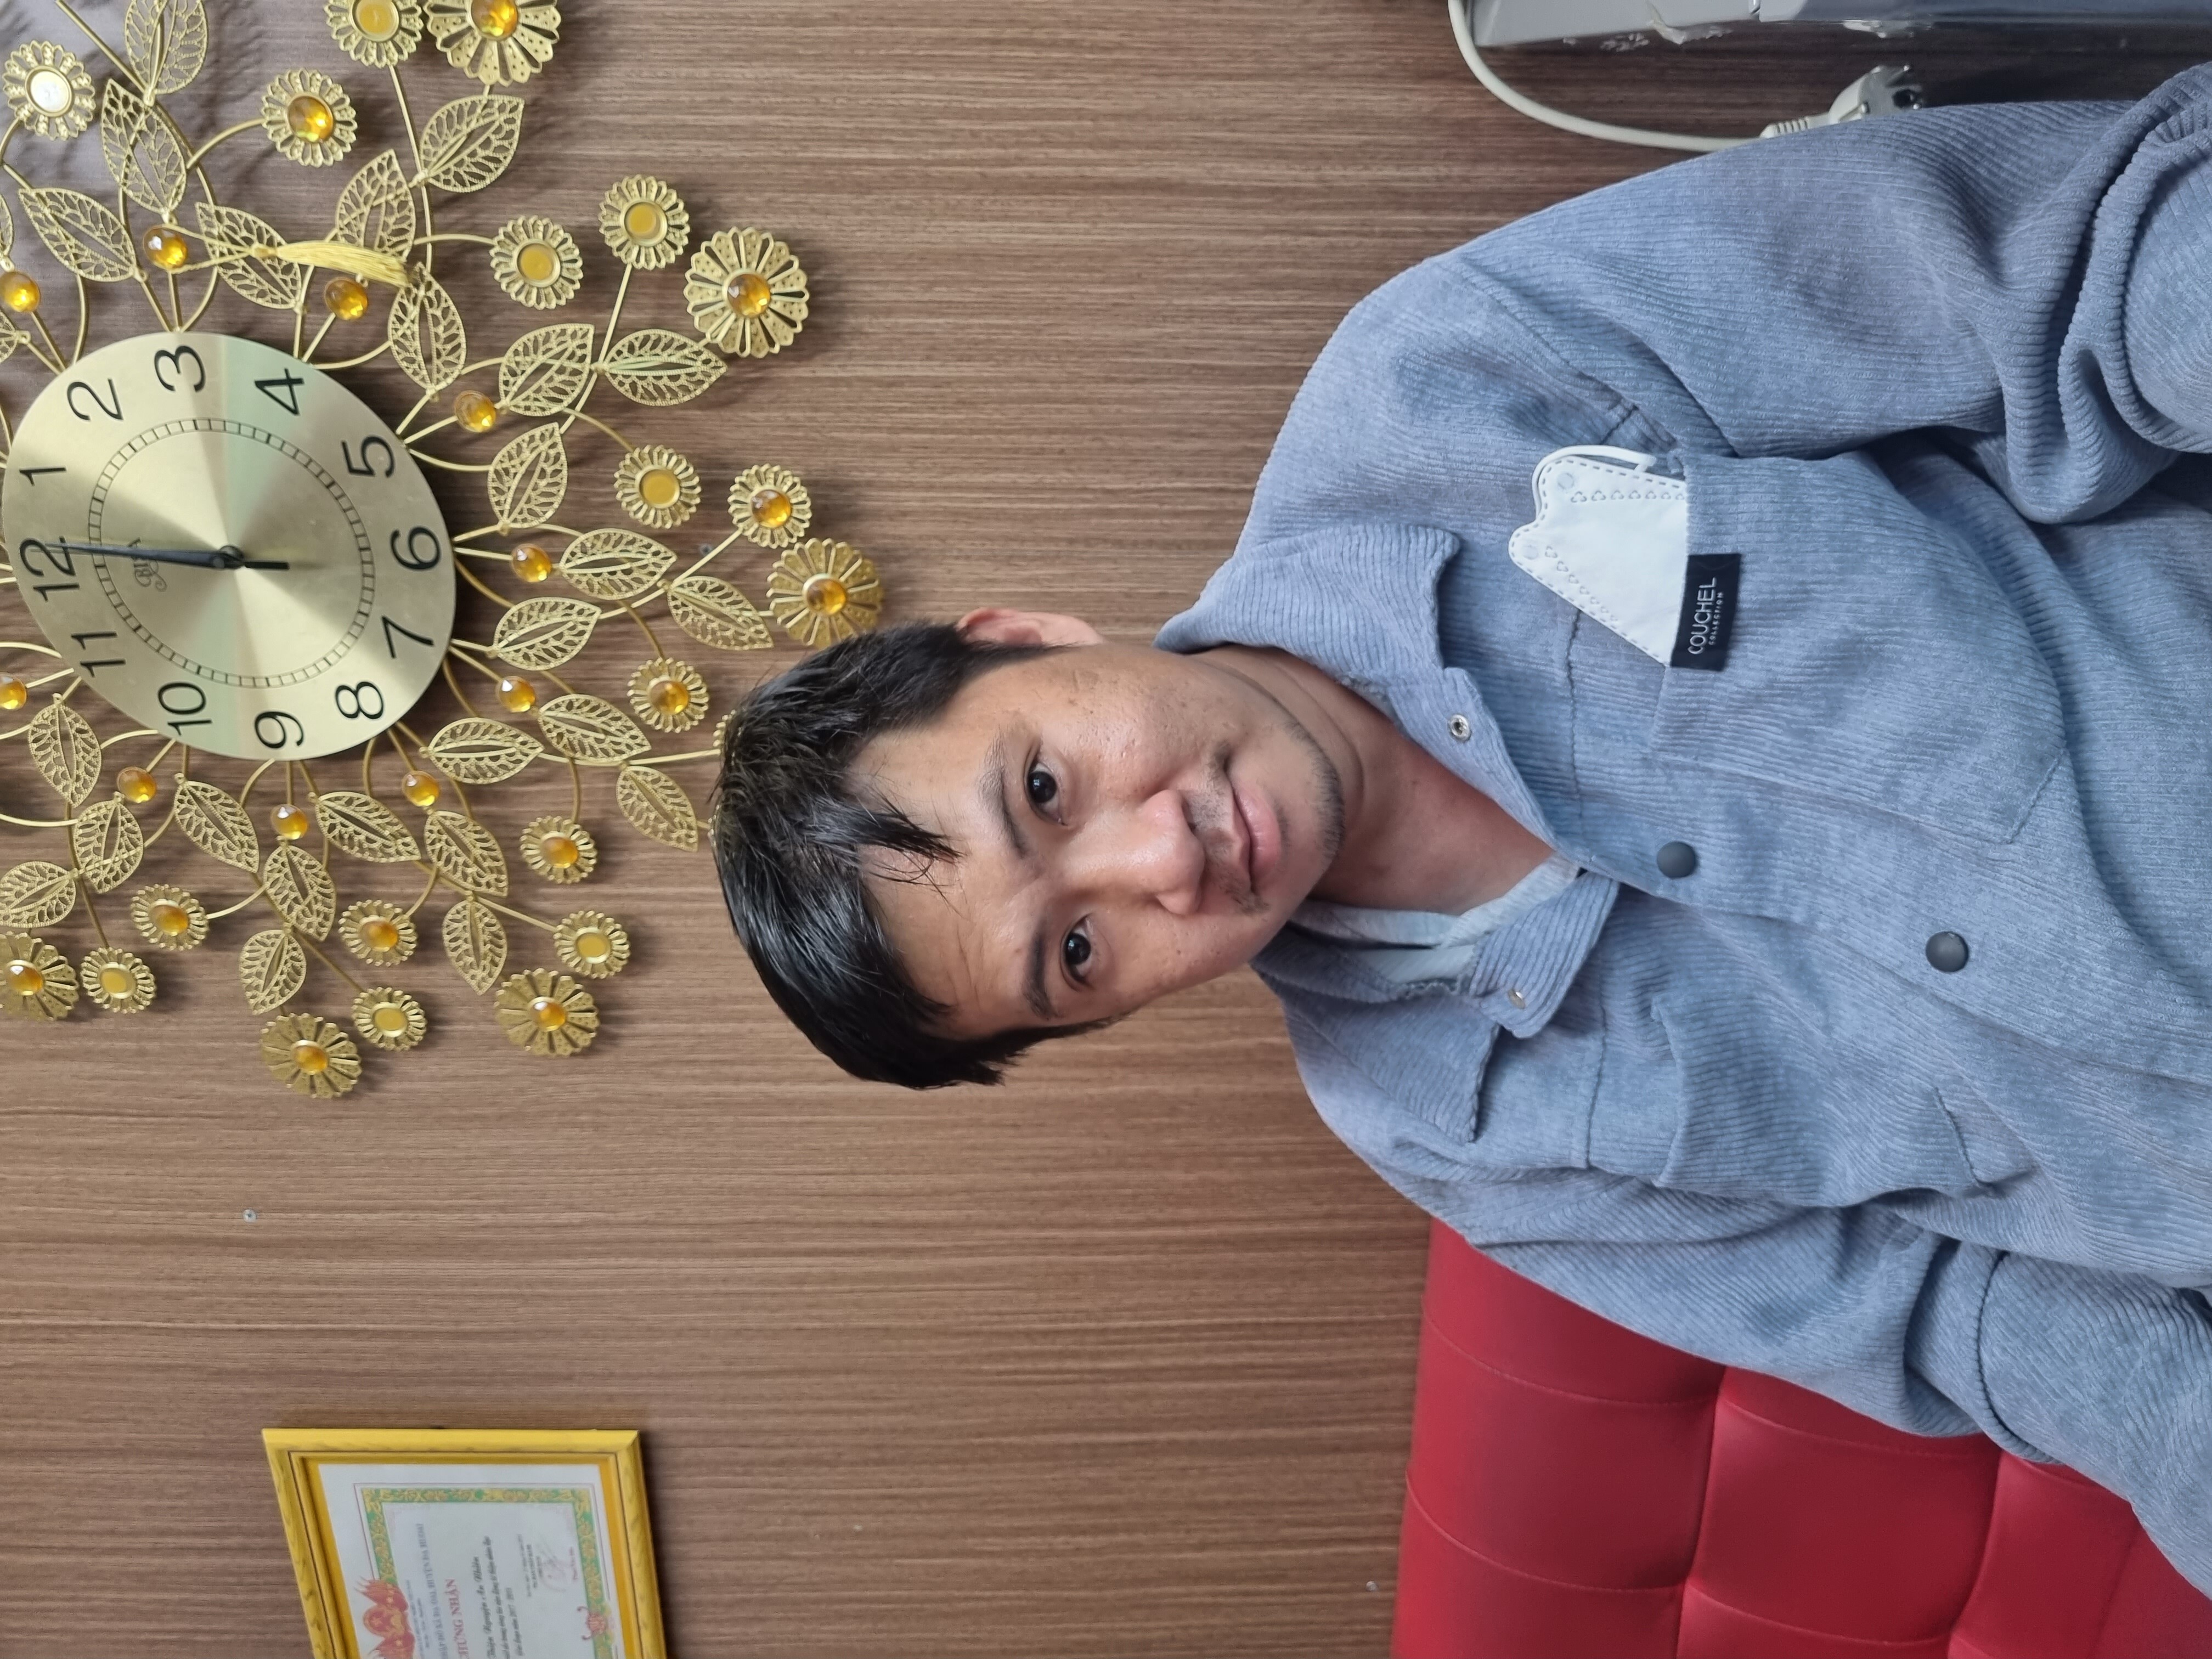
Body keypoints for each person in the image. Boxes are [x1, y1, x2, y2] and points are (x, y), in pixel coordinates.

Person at [713, 66, 2212, 1590]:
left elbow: (2088, 261)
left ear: (1024, 639)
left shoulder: (1453, 383)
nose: (1162, 863)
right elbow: (1958, 1322)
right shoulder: (1437, 1122)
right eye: (1078, 951)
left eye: (1044, 790)